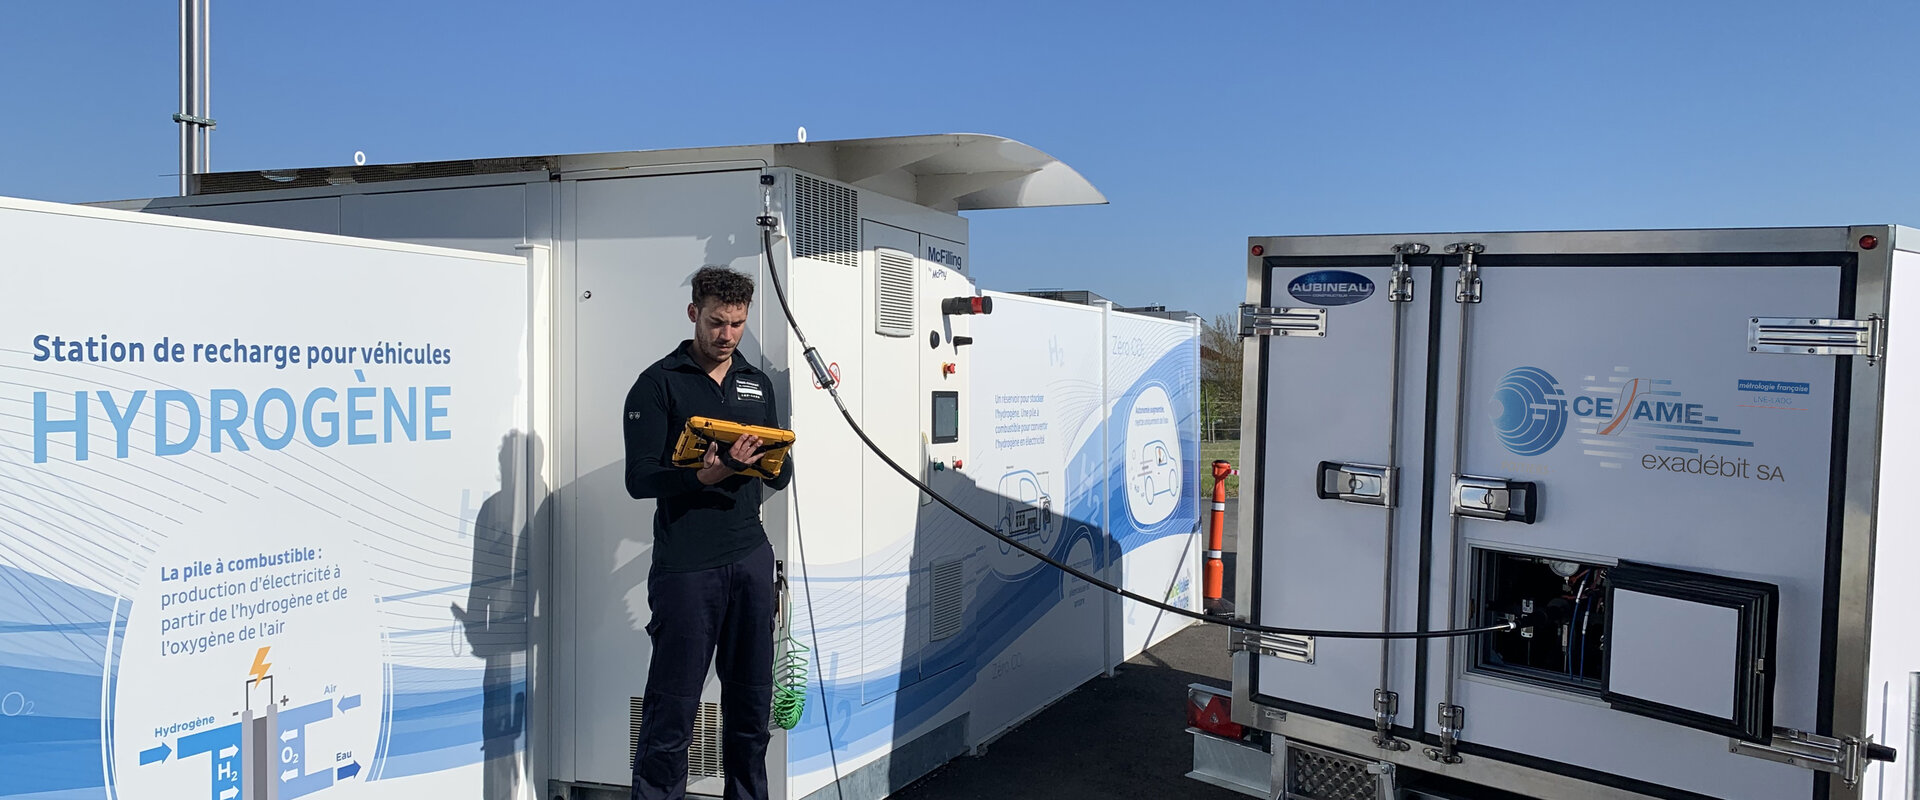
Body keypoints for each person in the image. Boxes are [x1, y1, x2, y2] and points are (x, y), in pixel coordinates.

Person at [623, 266, 792, 800]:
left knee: (750, 709)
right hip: (687, 567)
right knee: (672, 711)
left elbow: (782, 476)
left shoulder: (755, 382)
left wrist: (767, 461)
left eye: (738, 324)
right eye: (717, 323)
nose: (727, 336)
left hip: (749, 557)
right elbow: (640, 478)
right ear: (694, 313)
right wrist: (705, 475)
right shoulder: (657, 384)